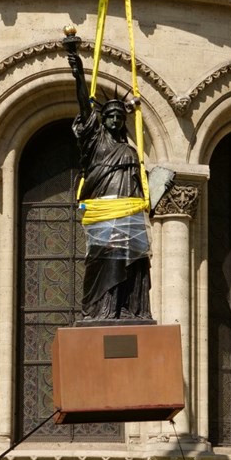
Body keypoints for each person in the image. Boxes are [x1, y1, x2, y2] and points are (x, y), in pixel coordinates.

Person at [64, 35, 153, 322]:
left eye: (119, 117)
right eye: (110, 116)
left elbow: (139, 186)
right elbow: (84, 104)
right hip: (105, 213)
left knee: (134, 263)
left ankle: (127, 309)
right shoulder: (95, 142)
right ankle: (100, 310)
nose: (115, 120)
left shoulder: (130, 150)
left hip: (130, 215)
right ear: (102, 120)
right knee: (104, 260)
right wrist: (79, 72)